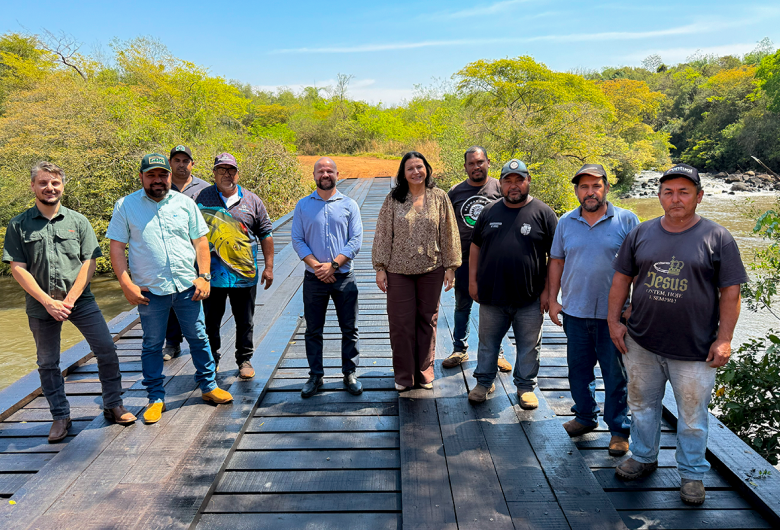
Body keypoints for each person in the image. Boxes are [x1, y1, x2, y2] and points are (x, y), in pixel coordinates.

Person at [608, 163, 748, 505]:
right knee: (641, 405)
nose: (676, 198)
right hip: (641, 342)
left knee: (692, 415)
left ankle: (692, 474)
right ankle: (643, 457)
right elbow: (621, 280)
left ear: (699, 196)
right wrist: (614, 321)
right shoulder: (640, 233)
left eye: (684, 191)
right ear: (659, 196)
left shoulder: (718, 238)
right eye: (668, 191)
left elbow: (731, 292)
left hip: (695, 348)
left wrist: (725, 338)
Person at [3, 162, 136, 443]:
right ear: (33, 186)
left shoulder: (79, 221)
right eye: (43, 183)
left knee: (106, 349)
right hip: (41, 306)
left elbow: (90, 262)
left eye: (54, 183)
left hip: (81, 300)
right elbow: (18, 268)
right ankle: (60, 416)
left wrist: (70, 299)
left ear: (62, 186)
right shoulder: (18, 224)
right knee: (48, 363)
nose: (49, 188)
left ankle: (113, 405)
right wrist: (49, 301)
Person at [107, 153, 233, 424]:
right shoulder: (125, 206)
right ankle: (156, 398)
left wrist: (204, 276)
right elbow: (116, 247)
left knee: (199, 337)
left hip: (188, 286)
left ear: (169, 175)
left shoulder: (185, 203)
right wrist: (126, 283)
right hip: (150, 290)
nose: (157, 180)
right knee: (152, 344)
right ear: (141, 177)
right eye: (151, 175)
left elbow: (200, 242)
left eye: (162, 174)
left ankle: (209, 387)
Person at [548, 164, 638, 456]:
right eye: (584, 187)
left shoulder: (627, 220)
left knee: (615, 376)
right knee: (578, 371)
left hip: (613, 317)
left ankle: (618, 430)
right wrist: (552, 299)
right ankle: (585, 417)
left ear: (606, 188)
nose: (590, 192)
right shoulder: (565, 222)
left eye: (596, 186)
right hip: (575, 312)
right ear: (576, 191)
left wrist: (635, 305)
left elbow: (641, 267)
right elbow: (557, 262)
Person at [468, 159, 557, 407]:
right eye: (508, 180)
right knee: (487, 344)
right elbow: (475, 247)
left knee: (529, 346)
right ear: (501, 183)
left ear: (528, 181)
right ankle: (483, 382)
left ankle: (525, 387)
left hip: (529, 297)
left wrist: (548, 293)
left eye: (519, 180)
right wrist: (472, 281)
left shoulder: (544, 213)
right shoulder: (489, 211)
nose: (514, 186)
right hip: (491, 295)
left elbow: (556, 258)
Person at [373, 152, 461, 391]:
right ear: (403, 173)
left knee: (427, 321)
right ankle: (403, 376)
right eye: (410, 168)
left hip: (432, 268)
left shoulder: (440, 197)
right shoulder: (393, 199)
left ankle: (424, 372)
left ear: (427, 169)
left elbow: (449, 233)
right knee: (400, 323)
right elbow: (382, 234)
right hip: (398, 270)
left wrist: (451, 267)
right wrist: (380, 268)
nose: (416, 172)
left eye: (419, 167)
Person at [196, 152, 274, 378]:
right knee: (210, 321)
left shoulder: (252, 200)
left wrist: (268, 267)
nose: (227, 174)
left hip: (245, 275)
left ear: (238, 173)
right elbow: (192, 234)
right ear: (214, 174)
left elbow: (266, 234)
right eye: (222, 170)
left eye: (231, 170)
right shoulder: (202, 198)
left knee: (245, 320)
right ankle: (212, 359)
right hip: (211, 275)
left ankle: (245, 359)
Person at [291, 157, 363, 398]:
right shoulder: (302, 205)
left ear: (337, 174)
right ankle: (315, 375)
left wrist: (332, 266)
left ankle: (349, 373)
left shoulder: (349, 204)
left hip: (344, 277)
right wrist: (318, 268)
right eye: (321, 170)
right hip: (314, 279)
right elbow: (297, 240)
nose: (325, 174)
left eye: (329, 171)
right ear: (313, 175)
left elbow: (356, 241)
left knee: (349, 328)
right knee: (313, 329)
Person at [443, 146, 511, 373]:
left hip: (494, 262)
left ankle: (498, 352)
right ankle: (459, 349)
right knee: (462, 305)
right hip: (462, 259)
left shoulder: (500, 188)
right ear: (465, 167)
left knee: (495, 308)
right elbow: (446, 227)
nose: (476, 167)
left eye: (480, 162)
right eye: (471, 163)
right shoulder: (455, 192)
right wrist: (448, 264)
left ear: (488, 163)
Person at [162, 145, 211, 361]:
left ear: (193, 163)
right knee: (171, 299)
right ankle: (172, 343)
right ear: (170, 163)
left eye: (185, 161)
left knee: (203, 297)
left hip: (200, 252)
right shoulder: (160, 186)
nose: (181, 164)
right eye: (177, 160)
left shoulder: (206, 188)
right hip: (172, 254)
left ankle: (205, 344)